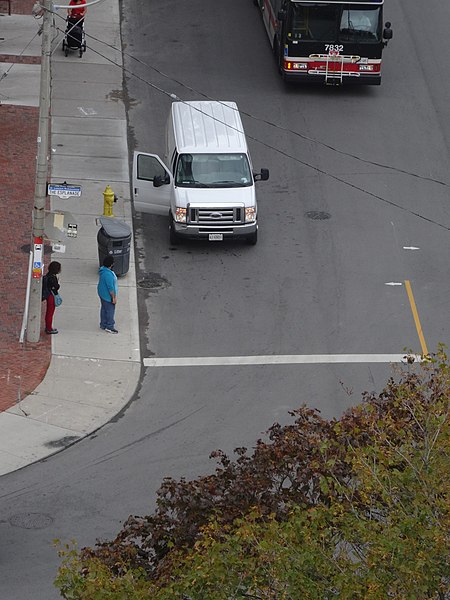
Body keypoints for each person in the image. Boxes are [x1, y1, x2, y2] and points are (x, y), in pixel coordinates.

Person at [97, 256, 118, 334]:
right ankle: (110, 326)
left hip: (102, 293)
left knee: (104, 308)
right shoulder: (108, 274)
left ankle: (103, 324)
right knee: (110, 310)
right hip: (107, 295)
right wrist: (113, 298)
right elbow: (110, 288)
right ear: (111, 264)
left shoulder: (103, 270)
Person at [44, 261, 61, 334]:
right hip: (51, 296)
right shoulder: (53, 278)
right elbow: (56, 287)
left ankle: (48, 327)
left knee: (49, 312)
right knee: (50, 313)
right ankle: (49, 328)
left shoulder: (48, 275)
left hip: (49, 295)